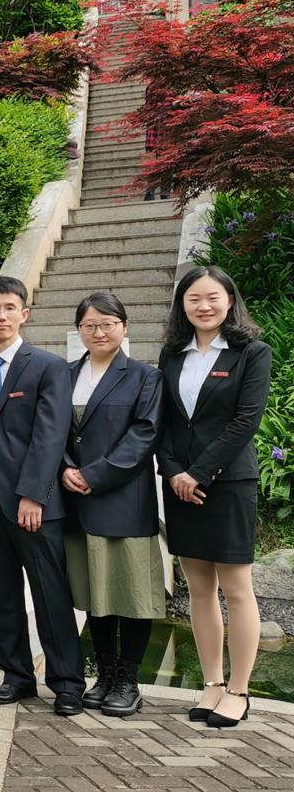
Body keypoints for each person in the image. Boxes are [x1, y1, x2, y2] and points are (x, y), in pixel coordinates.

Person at [158, 266, 271, 729]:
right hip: (181, 485)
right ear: (182, 305)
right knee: (199, 589)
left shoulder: (251, 352)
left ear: (230, 300)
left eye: (212, 297)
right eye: (193, 299)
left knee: (236, 589)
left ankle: (239, 691)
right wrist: (173, 471)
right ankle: (212, 684)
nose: (203, 306)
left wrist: (199, 473)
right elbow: (164, 421)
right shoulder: (172, 354)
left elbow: (246, 421)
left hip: (226, 484)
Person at [0, 276, 83, 716]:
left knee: (50, 594)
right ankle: (17, 676)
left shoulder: (48, 366)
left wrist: (33, 495)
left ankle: (67, 682)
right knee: (5, 596)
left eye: (10, 308)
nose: (2, 316)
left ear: (24, 314)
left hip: (34, 504)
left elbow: (50, 436)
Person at [61, 291, 165, 718]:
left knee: (133, 595)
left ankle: (128, 680)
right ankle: (104, 675)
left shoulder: (144, 376)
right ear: (79, 330)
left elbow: (144, 434)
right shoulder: (65, 374)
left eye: (107, 324)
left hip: (124, 502)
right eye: (89, 325)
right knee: (96, 593)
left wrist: (94, 475)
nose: (99, 332)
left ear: (124, 327)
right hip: (76, 503)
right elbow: (51, 429)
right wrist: (64, 468)